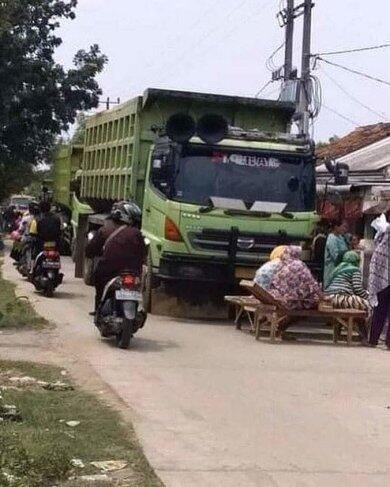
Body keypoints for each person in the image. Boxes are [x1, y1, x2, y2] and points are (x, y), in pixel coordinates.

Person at [85, 200, 146, 314]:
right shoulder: (137, 233)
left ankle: (99, 308)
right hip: (132, 273)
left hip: (109, 272)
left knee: (99, 281)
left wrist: (92, 254)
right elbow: (143, 253)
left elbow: (90, 249)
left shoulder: (105, 230)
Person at [269, 245, 322, 311]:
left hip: (280, 301)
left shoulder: (281, 266)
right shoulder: (299, 264)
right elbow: (311, 284)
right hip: (294, 303)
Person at [368, 217, 390, 349]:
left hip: (381, 285)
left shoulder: (379, 249)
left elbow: (374, 270)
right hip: (384, 283)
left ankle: (373, 340)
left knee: (379, 311)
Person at [323, 219, 349, 289]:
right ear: (336, 227)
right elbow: (336, 256)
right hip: (332, 269)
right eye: (343, 227)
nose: (344, 229)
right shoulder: (332, 238)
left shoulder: (341, 237)